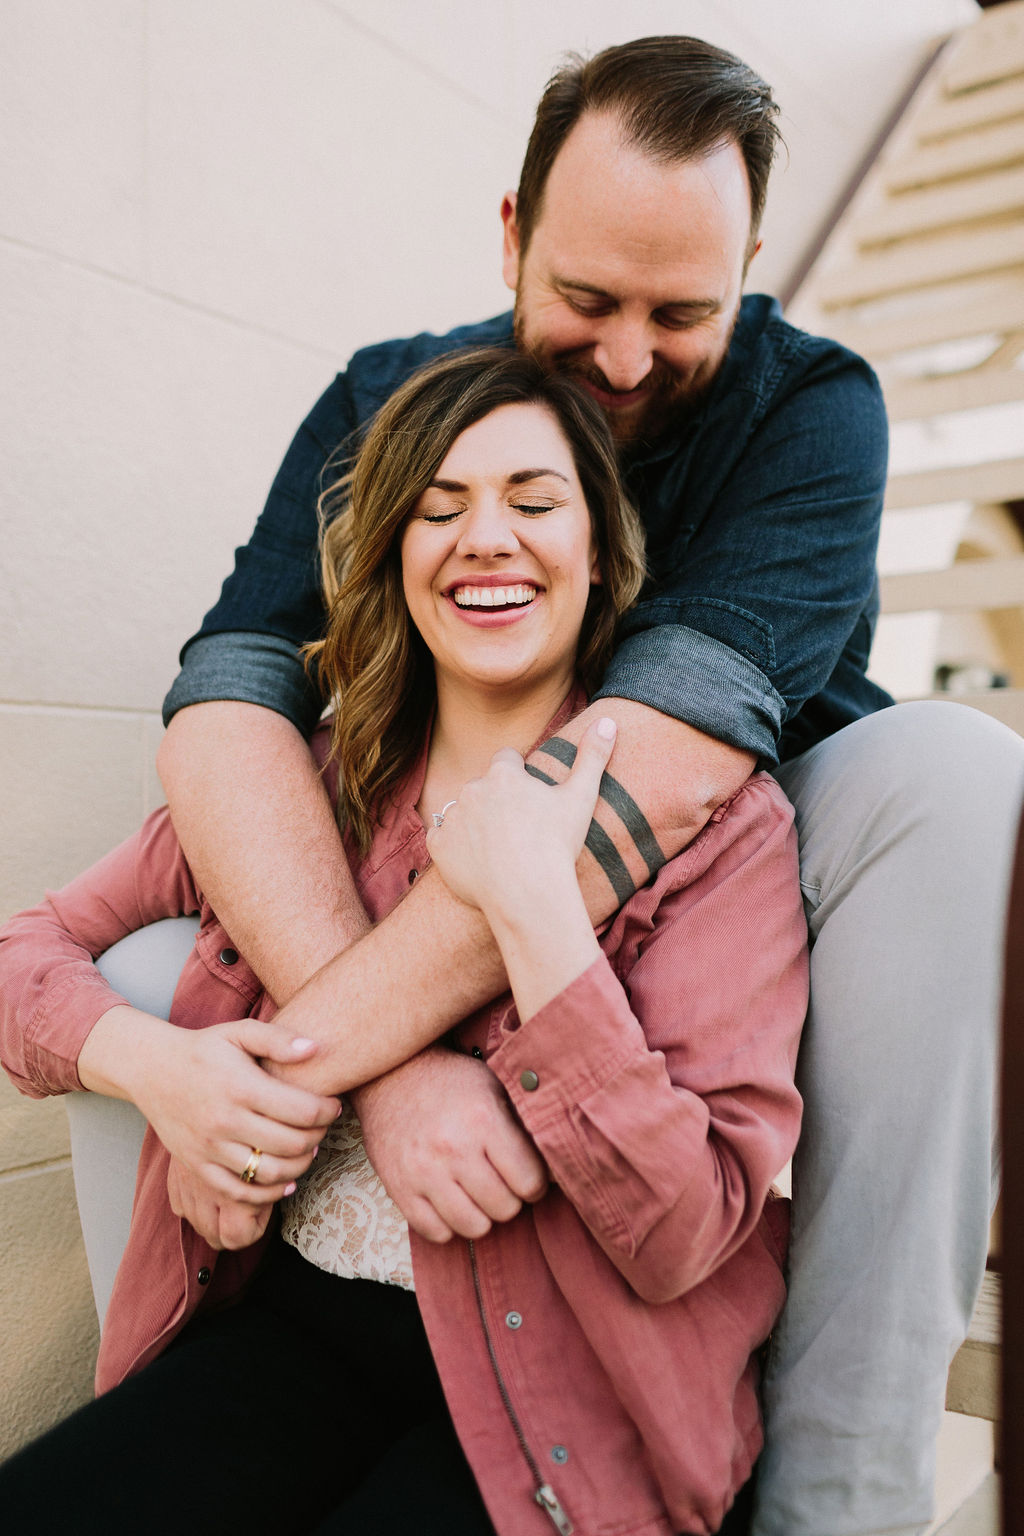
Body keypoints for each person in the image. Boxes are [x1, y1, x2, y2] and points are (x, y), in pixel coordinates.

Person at [56, 34, 1024, 1536]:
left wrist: (317, 1062)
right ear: (512, 234)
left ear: (753, 262)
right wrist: (381, 1075)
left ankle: (838, 1493)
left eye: (681, 311)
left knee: (960, 769)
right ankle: (209, 1373)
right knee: (145, 960)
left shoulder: (810, 405)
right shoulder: (394, 397)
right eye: (585, 300)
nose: (629, 359)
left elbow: (648, 761)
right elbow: (227, 696)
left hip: (729, 878)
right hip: (434, 877)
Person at [0, 348, 809, 1536]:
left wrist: (537, 917)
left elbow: (684, 1227)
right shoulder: (300, 794)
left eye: (534, 503)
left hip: (574, 1397)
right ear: (391, 556)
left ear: (600, 553)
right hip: (295, 1332)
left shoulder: (717, 826)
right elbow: (26, 955)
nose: (487, 537)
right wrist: (159, 1070)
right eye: (438, 509)